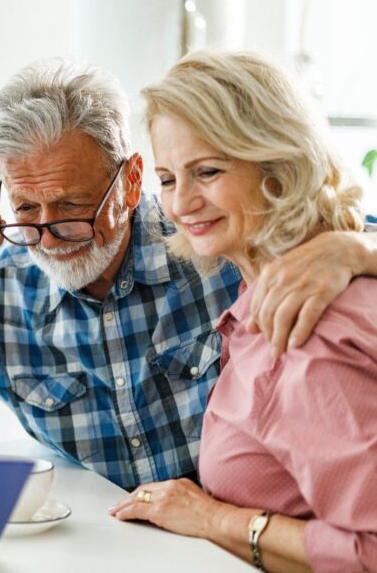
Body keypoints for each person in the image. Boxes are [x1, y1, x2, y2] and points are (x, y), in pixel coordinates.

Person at [0, 59, 377, 490]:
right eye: (25, 209)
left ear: (130, 182)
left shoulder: (209, 235)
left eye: (70, 206)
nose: (47, 235)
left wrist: (352, 248)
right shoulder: (0, 289)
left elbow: (337, 223)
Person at [110, 51, 377, 571]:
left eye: (207, 171)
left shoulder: (303, 331)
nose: (181, 202)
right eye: (167, 179)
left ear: (277, 167)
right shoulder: (299, 275)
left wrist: (212, 518)